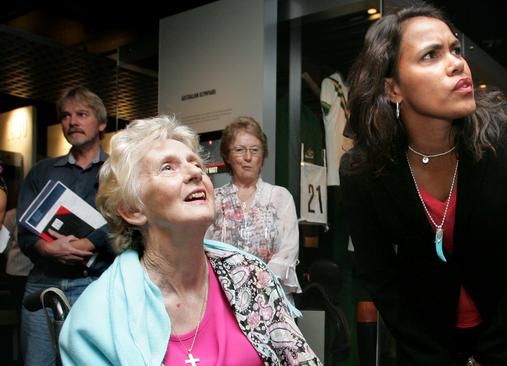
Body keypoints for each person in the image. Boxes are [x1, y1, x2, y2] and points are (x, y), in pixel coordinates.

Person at [340, 3, 507, 366]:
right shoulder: (362, 170)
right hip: (425, 344)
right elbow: (379, 276)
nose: (457, 63)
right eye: (431, 55)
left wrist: (493, 356)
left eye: (455, 49)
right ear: (393, 89)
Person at [59, 115, 321, 365]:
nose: (196, 173)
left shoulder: (252, 277)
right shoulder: (96, 317)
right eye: (168, 167)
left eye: (196, 164)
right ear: (132, 209)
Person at [17, 86, 114, 366]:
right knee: (38, 362)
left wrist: (90, 242)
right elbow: (24, 232)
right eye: (66, 116)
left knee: (93, 362)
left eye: (82, 114)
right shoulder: (42, 172)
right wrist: (47, 249)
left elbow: (130, 223)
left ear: (102, 123)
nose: (72, 121)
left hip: (95, 282)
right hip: (43, 282)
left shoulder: (118, 172)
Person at [205, 116, 302, 300]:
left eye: (254, 150)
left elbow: (288, 251)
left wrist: (258, 286)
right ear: (227, 155)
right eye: (240, 150)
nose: (248, 157)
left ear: (263, 155)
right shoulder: (214, 199)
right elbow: (203, 250)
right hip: (223, 298)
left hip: (270, 298)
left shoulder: (280, 197)